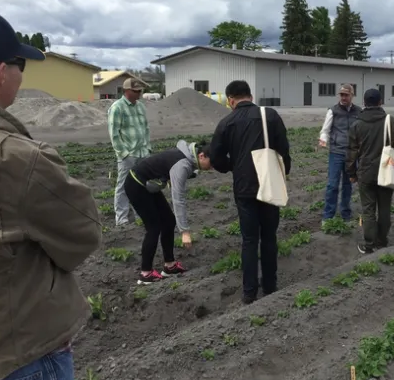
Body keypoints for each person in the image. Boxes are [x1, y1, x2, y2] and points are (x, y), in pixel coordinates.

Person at [0, 9, 101, 380]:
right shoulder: (14, 158)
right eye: (20, 66)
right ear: (1, 71)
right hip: (16, 356)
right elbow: (82, 233)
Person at [209, 80, 291, 304]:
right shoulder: (270, 116)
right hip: (269, 183)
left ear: (230, 100)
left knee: (249, 239)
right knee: (269, 237)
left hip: (244, 187)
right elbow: (284, 150)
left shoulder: (227, 122)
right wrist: (283, 175)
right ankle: (270, 286)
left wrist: (232, 166)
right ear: (251, 96)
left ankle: (249, 292)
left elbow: (214, 156)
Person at [125, 140, 212, 284]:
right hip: (136, 184)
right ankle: (146, 273)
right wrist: (184, 231)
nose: (212, 168)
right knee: (154, 227)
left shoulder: (188, 159)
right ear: (201, 156)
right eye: (212, 163)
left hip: (147, 184)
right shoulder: (182, 165)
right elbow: (178, 199)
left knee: (168, 221)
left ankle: (169, 266)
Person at [346, 88, 394, 254]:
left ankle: (369, 243)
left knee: (368, 209)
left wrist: (351, 173)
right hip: (387, 171)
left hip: (366, 172)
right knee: (385, 208)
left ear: (364, 103)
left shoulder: (357, 124)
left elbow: (351, 152)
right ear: (380, 102)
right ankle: (382, 241)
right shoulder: (390, 122)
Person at [107, 77, 151, 226]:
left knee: (142, 185)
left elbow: (145, 128)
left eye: (140, 91)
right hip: (128, 155)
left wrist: (147, 147)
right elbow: (114, 134)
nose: (139, 93)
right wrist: (124, 154)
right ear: (126, 91)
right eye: (136, 91)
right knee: (123, 186)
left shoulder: (140, 107)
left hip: (142, 153)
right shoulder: (117, 107)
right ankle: (122, 218)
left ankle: (142, 215)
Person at [318, 83, 362, 225]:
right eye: (341, 95)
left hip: (351, 154)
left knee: (348, 185)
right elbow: (325, 130)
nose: (343, 97)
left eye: (346, 95)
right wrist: (323, 140)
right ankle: (328, 216)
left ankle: (345, 213)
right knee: (332, 184)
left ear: (352, 96)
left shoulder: (358, 112)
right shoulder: (333, 111)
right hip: (336, 152)